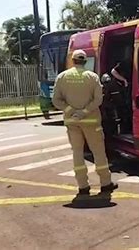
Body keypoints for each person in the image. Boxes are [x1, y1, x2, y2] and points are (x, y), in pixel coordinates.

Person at [53, 49, 118, 195]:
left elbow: (56, 100)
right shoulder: (92, 77)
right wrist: (85, 112)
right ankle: (105, 183)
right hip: (92, 122)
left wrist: (71, 110)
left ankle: (83, 186)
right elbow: (98, 99)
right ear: (85, 61)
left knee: (77, 153)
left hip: (72, 122)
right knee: (99, 152)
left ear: (73, 60)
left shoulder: (62, 77)